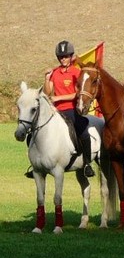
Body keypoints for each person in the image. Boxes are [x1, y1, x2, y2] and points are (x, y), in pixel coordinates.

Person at [39, 41, 95, 177]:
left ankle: (87, 163)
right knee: (36, 129)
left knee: (82, 131)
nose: (63, 59)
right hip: (55, 111)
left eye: (66, 56)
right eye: (61, 57)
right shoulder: (55, 73)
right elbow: (47, 93)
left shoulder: (77, 72)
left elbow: (78, 93)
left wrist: (59, 98)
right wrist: (47, 79)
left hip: (70, 109)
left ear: (71, 57)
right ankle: (37, 162)